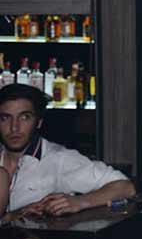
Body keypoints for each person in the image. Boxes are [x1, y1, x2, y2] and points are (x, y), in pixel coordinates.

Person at [0, 84, 134, 219]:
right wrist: (13, 216)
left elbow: (125, 187)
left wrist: (80, 202)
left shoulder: (59, 159)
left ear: (39, 122)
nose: (14, 128)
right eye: (5, 118)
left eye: (24, 117)